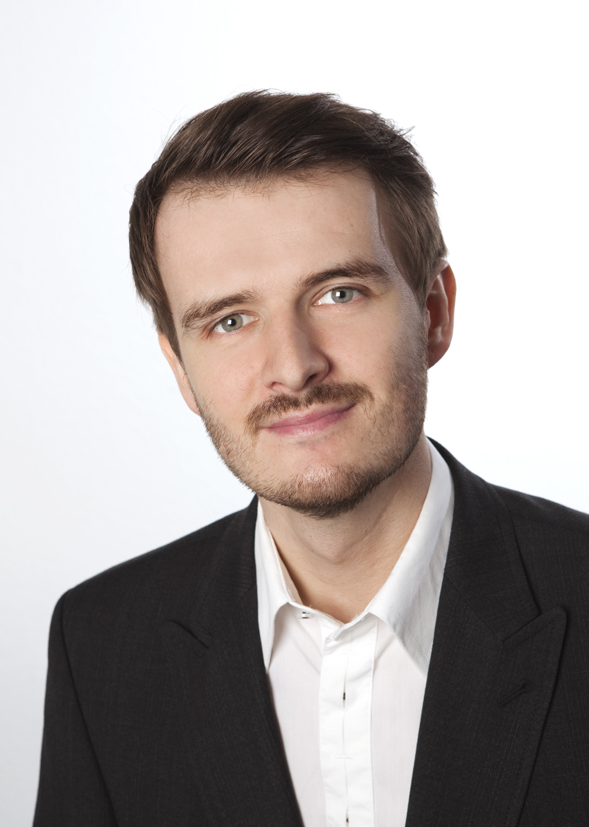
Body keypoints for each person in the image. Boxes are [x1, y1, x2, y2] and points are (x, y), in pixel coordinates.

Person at [34, 91, 589, 827]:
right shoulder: (101, 645)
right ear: (179, 368)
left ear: (433, 311)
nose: (293, 367)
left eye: (338, 292)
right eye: (230, 319)